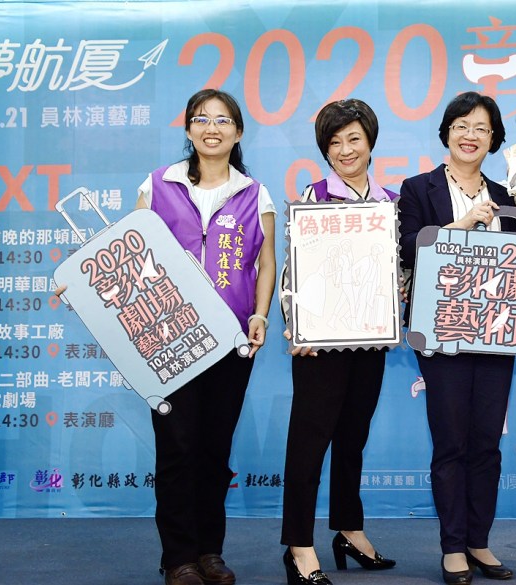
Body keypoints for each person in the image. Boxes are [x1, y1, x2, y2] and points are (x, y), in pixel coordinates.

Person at [137, 89, 276, 585]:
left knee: (215, 450)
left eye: (222, 120)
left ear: (238, 132)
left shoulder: (255, 194)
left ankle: (209, 552)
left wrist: (260, 314)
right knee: (177, 447)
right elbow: (131, 254)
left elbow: (266, 263)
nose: (211, 128)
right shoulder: (159, 185)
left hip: (230, 340)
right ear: (188, 129)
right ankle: (178, 557)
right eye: (201, 119)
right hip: (169, 340)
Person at [398, 92, 516, 585]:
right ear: (447, 132)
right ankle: (452, 547)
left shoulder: (507, 195)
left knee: (486, 443)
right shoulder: (417, 188)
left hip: (496, 331)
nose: (471, 136)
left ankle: (478, 540)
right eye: (462, 125)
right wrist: (460, 226)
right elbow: (407, 248)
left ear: (493, 139)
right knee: (450, 441)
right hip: (442, 329)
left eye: (482, 128)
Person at [280, 99, 397, 585]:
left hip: (369, 340)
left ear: (370, 142)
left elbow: (398, 271)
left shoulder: (390, 202)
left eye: (354, 139)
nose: (345, 150)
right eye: (334, 142)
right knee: (309, 443)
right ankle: (298, 545)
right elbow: (292, 271)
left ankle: (349, 529)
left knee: (353, 438)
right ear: (324, 150)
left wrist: (397, 305)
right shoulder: (313, 197)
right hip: (320, 344)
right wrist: (296, 324)